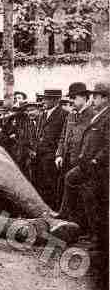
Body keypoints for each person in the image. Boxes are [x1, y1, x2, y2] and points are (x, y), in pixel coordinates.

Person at [57, 82, 109, 248]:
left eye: (96, 96)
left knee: (91, 198)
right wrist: (60, 154)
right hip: (77, 160)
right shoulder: (76, 114)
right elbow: (66, 136)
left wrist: (95, 160)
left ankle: (90, 233)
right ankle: (81, 228)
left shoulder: (97, 114)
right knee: (85, 195)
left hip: (94, 165)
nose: (94, 99)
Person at [54, 82, 94, 231]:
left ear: (84, 98)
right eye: (70, 98)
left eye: (74, 97)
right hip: (67, 159)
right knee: (67, 191)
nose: (71, 101)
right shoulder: (71, 114)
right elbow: (63, 136)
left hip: (82, 161)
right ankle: (69, 223)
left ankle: (82, 228)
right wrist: (59, 154)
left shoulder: (93, 115)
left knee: (83, 195)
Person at [33, 89, 68, 210]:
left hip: (51, 156)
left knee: (51, 185)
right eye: (44, 98)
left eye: (47, 99)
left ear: (56, 100)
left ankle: (52, 209)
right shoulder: (42, 114)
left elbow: (64, 136)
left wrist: (57, 154)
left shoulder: (64, 114)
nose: (44, 101)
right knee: (39, 183)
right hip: (39, 154)